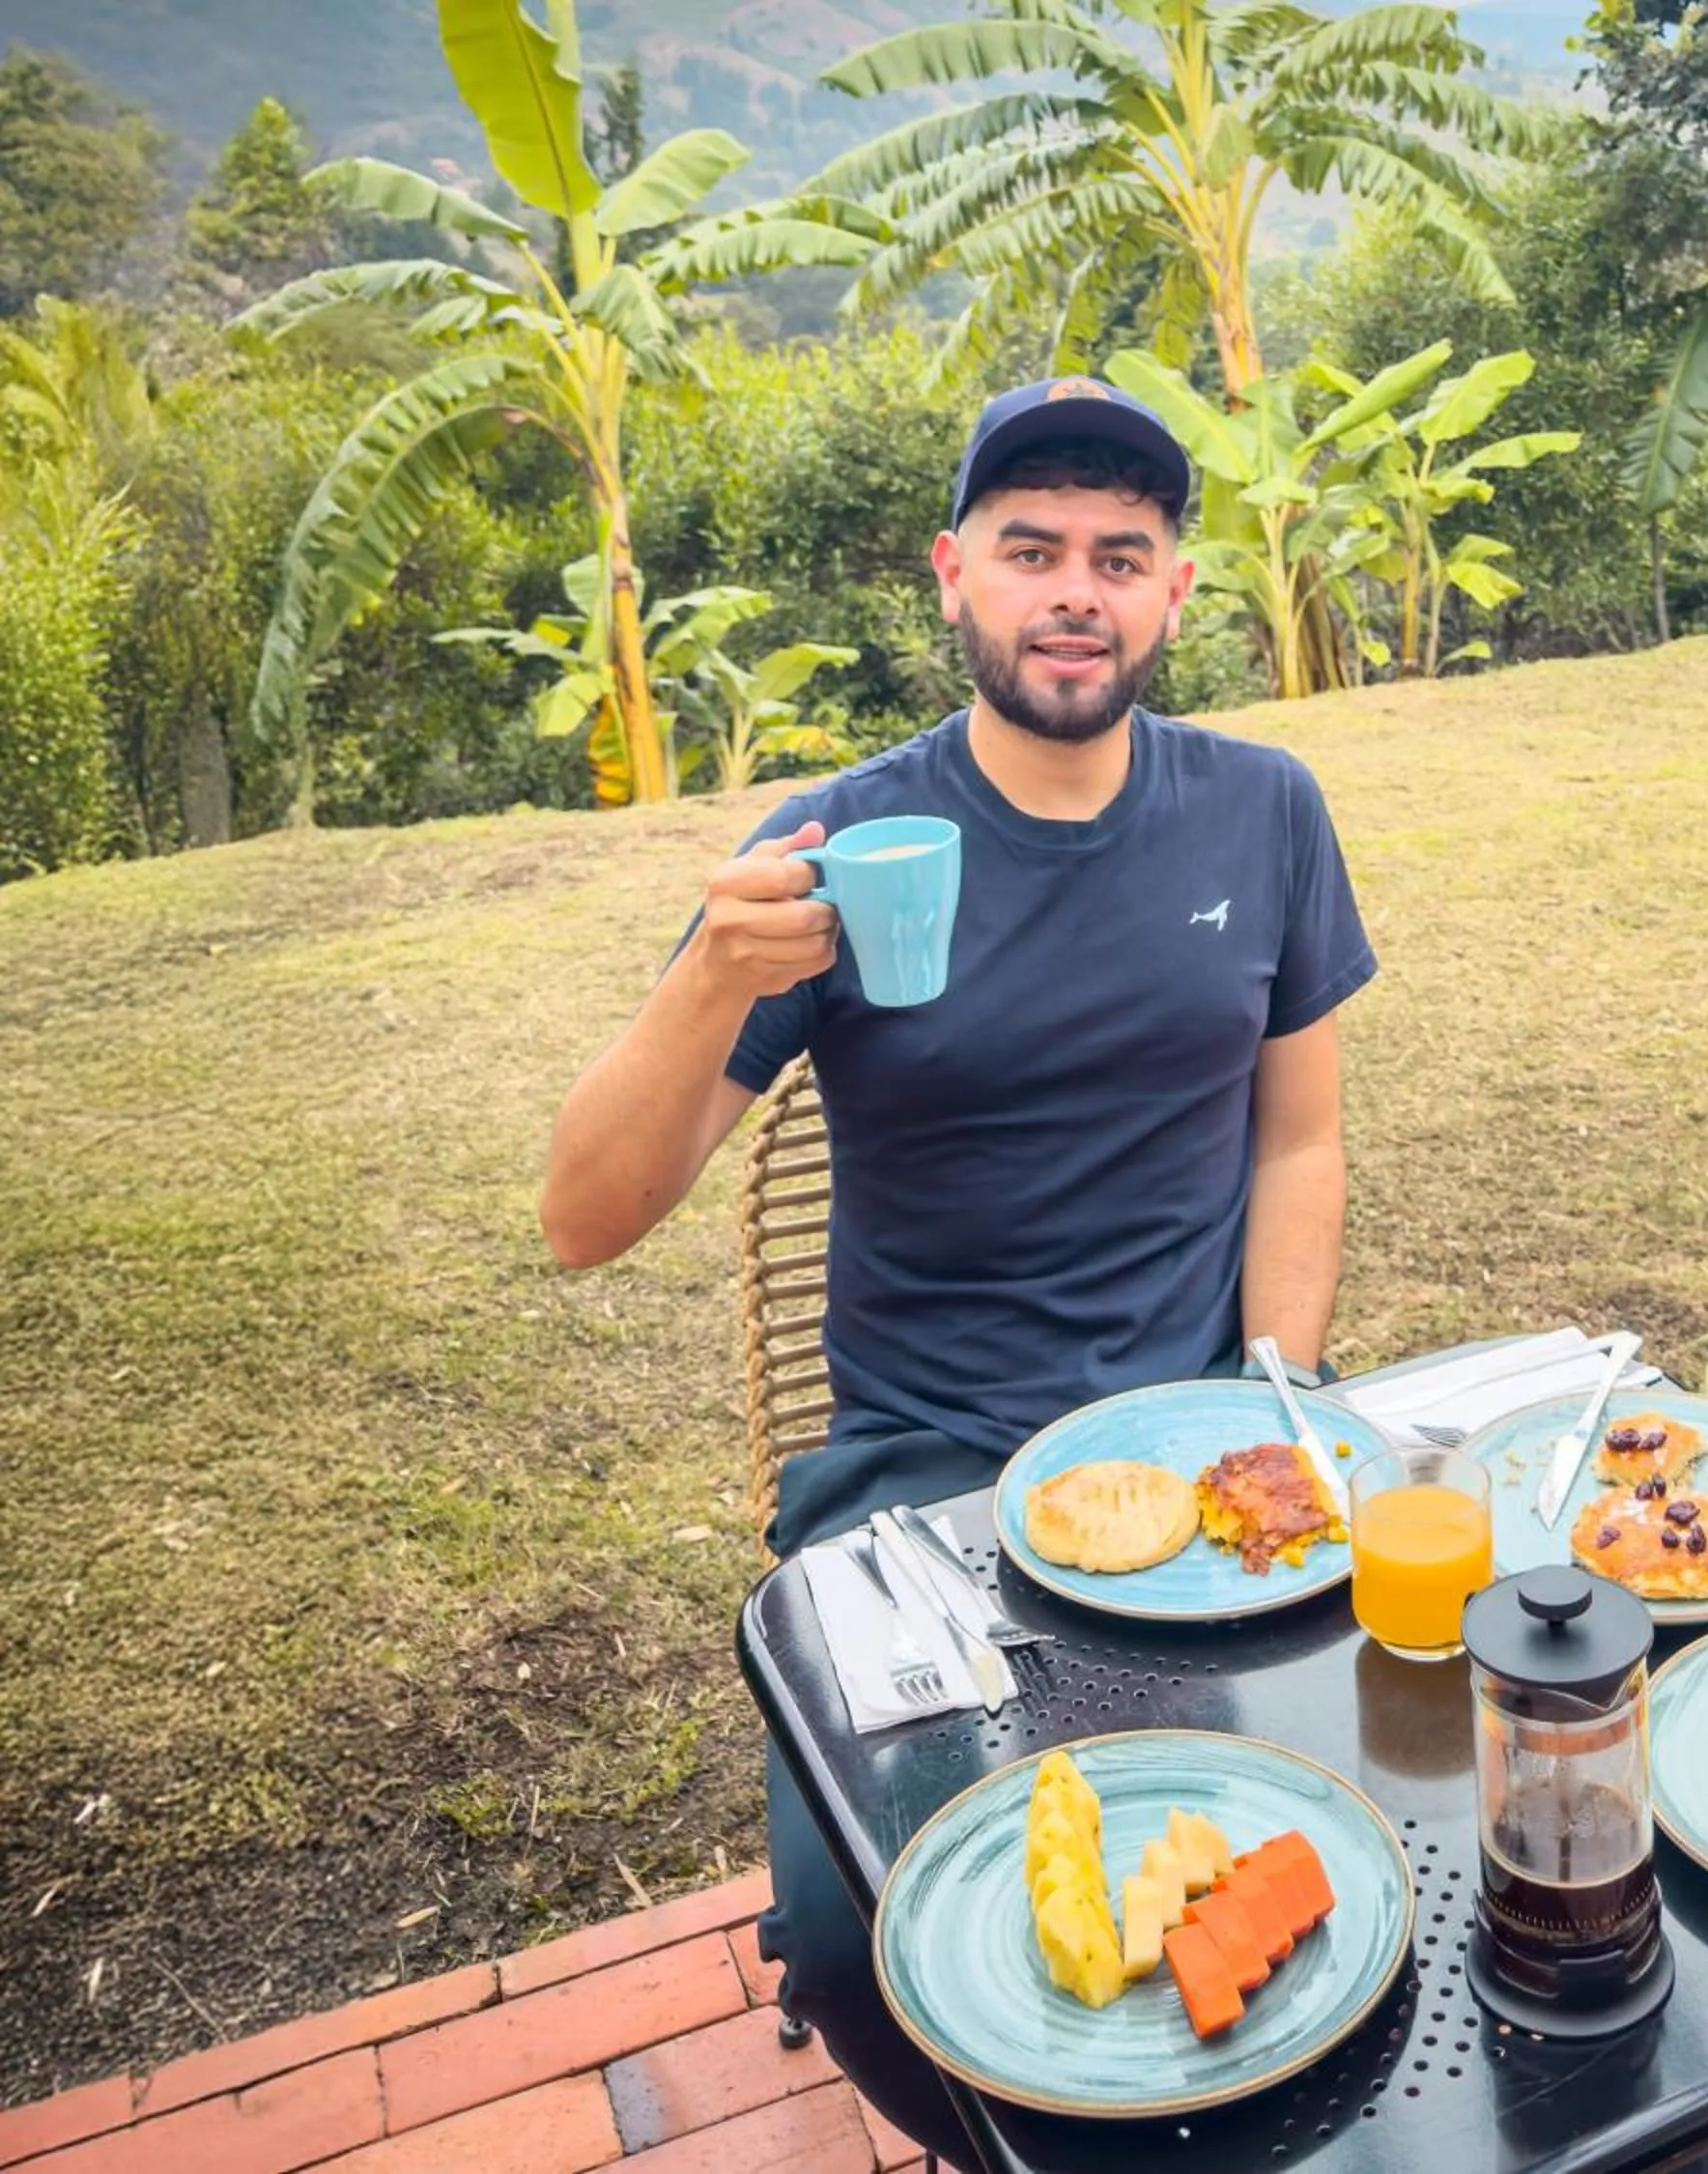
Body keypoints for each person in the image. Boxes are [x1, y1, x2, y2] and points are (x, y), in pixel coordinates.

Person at [538, 375, 1377, 2161]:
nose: (1075, 588)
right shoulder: (838, 849)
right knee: (857, 1944)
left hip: (1198, 1438)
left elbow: (1296, 1138)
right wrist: (710, 978)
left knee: (1370, 1816)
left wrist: (1275, 1397)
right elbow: (583, 1215)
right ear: (952, 576)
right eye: (1031, 549)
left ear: (1175, 591)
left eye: (1119, 554)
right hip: (919, 1474)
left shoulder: (1267, 811)